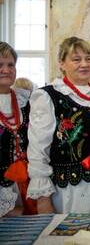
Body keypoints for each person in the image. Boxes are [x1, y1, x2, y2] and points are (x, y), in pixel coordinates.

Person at [27, 37, 90, 214]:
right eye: (76, 59)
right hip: (70, 189)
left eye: (88, 58)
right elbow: (37, 148)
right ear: (61, 64)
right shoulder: (48, 96)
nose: (84, 64)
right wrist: (43, 198)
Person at [0, 42, 36, 217]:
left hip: (29, 181)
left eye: (10, 65)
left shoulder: (26, 100)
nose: (6, 70)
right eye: (0, 65)